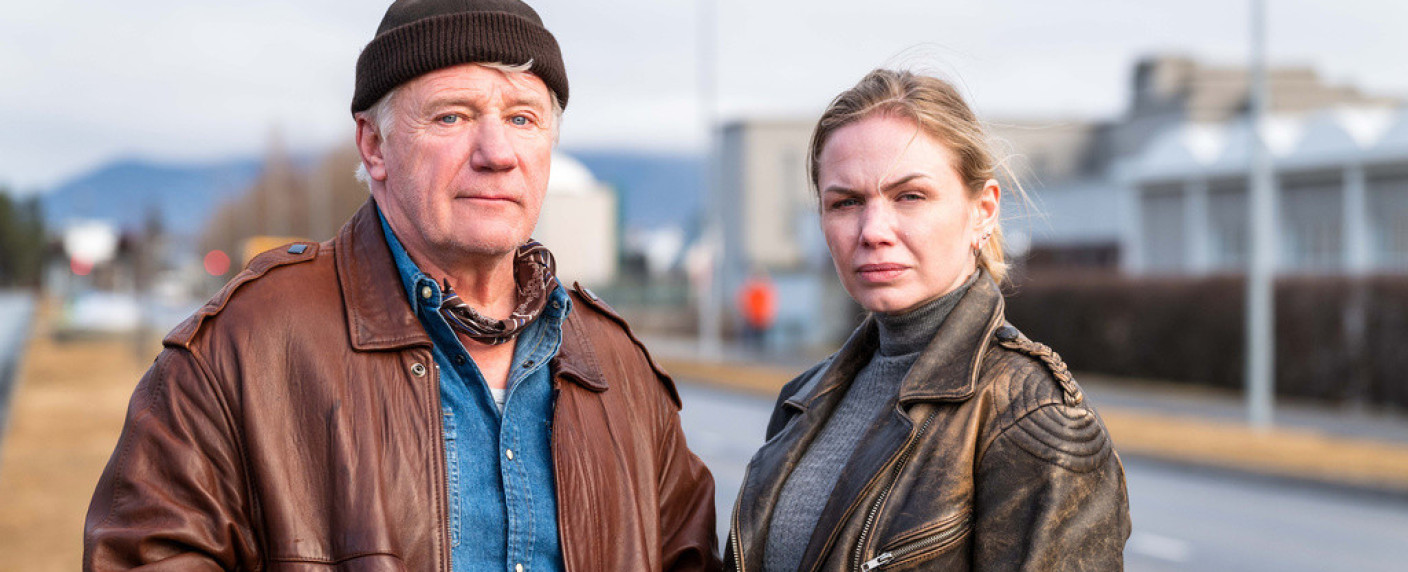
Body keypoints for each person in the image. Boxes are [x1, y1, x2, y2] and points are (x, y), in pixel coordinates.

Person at [83, 1, 720, 570]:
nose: (497, 153)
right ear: (374, 145)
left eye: (523, 119)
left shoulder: (618, 370)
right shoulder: (247, 347)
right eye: (452, 116)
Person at [725, 69, 1130, 572]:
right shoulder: (803, 400)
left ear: (983, 210)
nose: (873, 230)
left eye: (909, 196)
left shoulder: (1033, 418)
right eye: (846, 202)